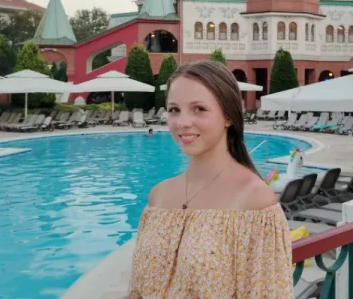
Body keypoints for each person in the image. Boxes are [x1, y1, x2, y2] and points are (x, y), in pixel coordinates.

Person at [125, 60, 294, 298]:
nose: (183, 122)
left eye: (199, 109)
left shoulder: (255, 201)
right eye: (174, 109)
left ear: (228, 116)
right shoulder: (159, 196)